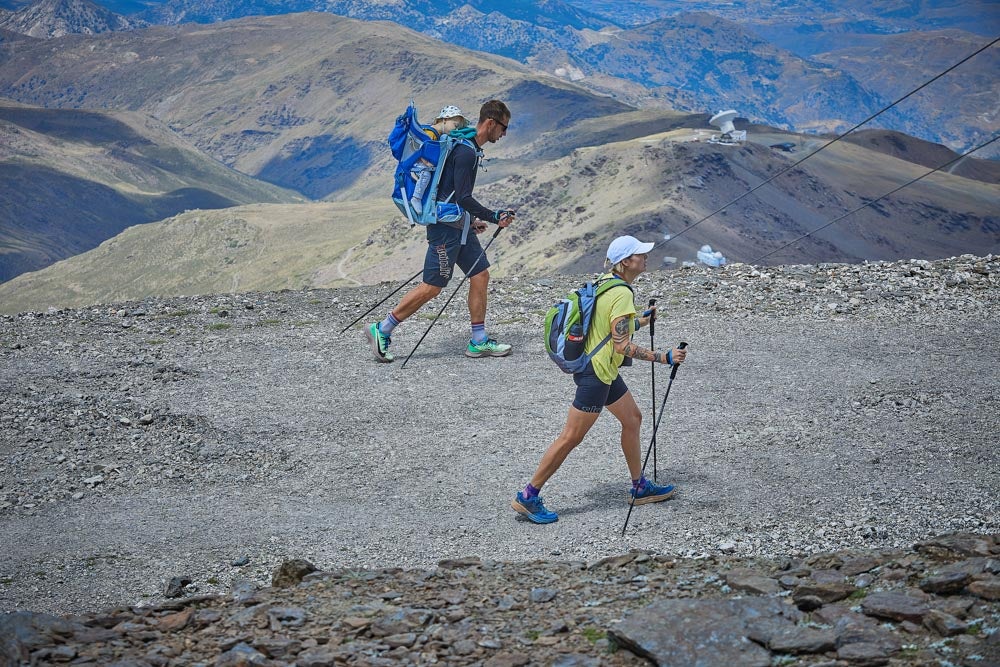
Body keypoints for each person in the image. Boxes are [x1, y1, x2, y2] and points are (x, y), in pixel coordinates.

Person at [511, 235, 687, 524]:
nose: (646, 258)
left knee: (632, 419)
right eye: (640, 254)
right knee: (571, 437)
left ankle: (639, 487)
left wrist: (641, 321)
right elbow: (622, 345)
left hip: (602, 370)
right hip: (597, 375)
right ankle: (529, 496)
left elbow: (610, 327)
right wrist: (664, 357)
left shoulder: (606, 283)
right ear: (625, 262)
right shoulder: (622, 293)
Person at [366, 99, 516, 362]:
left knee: (480, 275)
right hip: (445, 231)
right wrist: (493, 216)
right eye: (503, 128)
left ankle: (478, 341)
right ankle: (382, 328)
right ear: (490, 123)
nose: (504, 134)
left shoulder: (467, 148)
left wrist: (469, 222)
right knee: (432, 286)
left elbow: (451, 194)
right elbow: (463, 197)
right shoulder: (466, 152)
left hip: (458, 227)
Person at [409, 105, 469, 214]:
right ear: (445, 120)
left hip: (422, 164)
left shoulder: (437, 135)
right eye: (455, 125)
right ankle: (416, 198)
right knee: (426, 175)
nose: (456, 129)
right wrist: (426, 162)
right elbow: (419, 148)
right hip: (418, 165)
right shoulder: (430, 133)